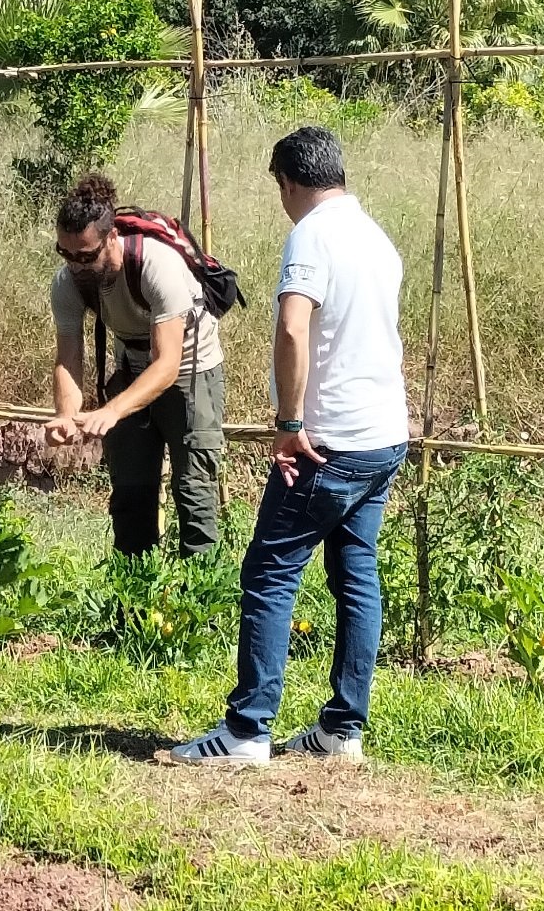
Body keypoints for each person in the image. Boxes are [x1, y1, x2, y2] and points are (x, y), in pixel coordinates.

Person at [171, 126, 409, 765]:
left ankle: (248, 729)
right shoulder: (375, 236)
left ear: (290, 181)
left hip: (327, 442)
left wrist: (289, 420)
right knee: (356, 575)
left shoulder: (312, 236)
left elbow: (293, 326)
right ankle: (343, 730)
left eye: (279, 186)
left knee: (270, 573)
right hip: (383, 436)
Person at [45, 173, 227, 557]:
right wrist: (65, 415)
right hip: (131, 367)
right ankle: (134, 589)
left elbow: (168, 364)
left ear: (112, 237)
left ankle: (202, 591)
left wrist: (112, 410)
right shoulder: (68, 282)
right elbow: (68, 358)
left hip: (191, 370)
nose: (76, 266)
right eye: (66, 254)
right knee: (130, 494)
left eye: (85, 256)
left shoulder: (157, 265)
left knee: (193, 493)